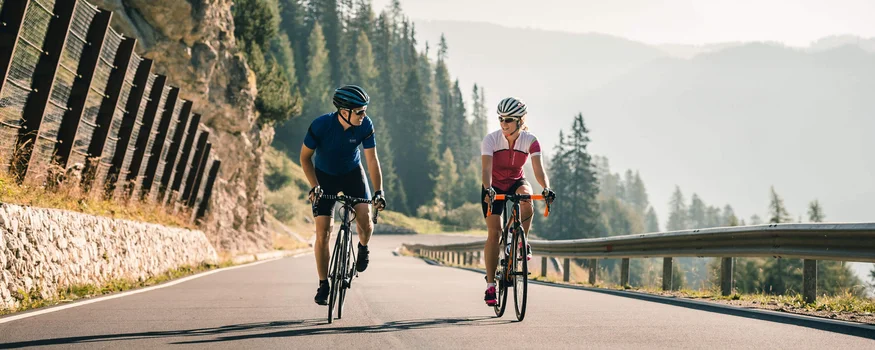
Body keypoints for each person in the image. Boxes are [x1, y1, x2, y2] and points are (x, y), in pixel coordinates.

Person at [300, 85, 387, 305]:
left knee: (365, 220)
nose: (364, 115)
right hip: (324, 177)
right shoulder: (321, 126)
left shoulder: (365, 125)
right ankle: (323, 284)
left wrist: (378, 192)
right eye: (359, 111)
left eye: (365, 110)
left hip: (352, 173)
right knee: (323, 232)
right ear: (344, 112)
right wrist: (314, 186)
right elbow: (304, 159)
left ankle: (363, 247)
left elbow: (372, 160)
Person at [480, 97, 555, 306]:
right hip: (493, 186)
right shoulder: (491, 140)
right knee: (494, 233)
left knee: (527, 198)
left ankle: (520, 241)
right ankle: (490, 285)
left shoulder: (530, 140)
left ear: (520, 120)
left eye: (509, 119)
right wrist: (488, 190)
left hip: (515, 181)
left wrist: (546, 188)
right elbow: (486, 170)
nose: (504, 123)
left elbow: (539, 170)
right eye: (501, 119)